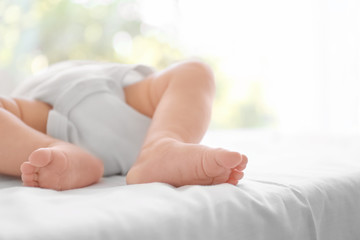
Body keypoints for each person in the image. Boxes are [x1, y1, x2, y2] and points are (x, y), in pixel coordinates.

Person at [0, 60, 248, 191]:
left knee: (195, 70)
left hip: (125, 103)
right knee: (195, 71)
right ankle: (58, 151)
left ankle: (163, 145)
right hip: (43, 121)